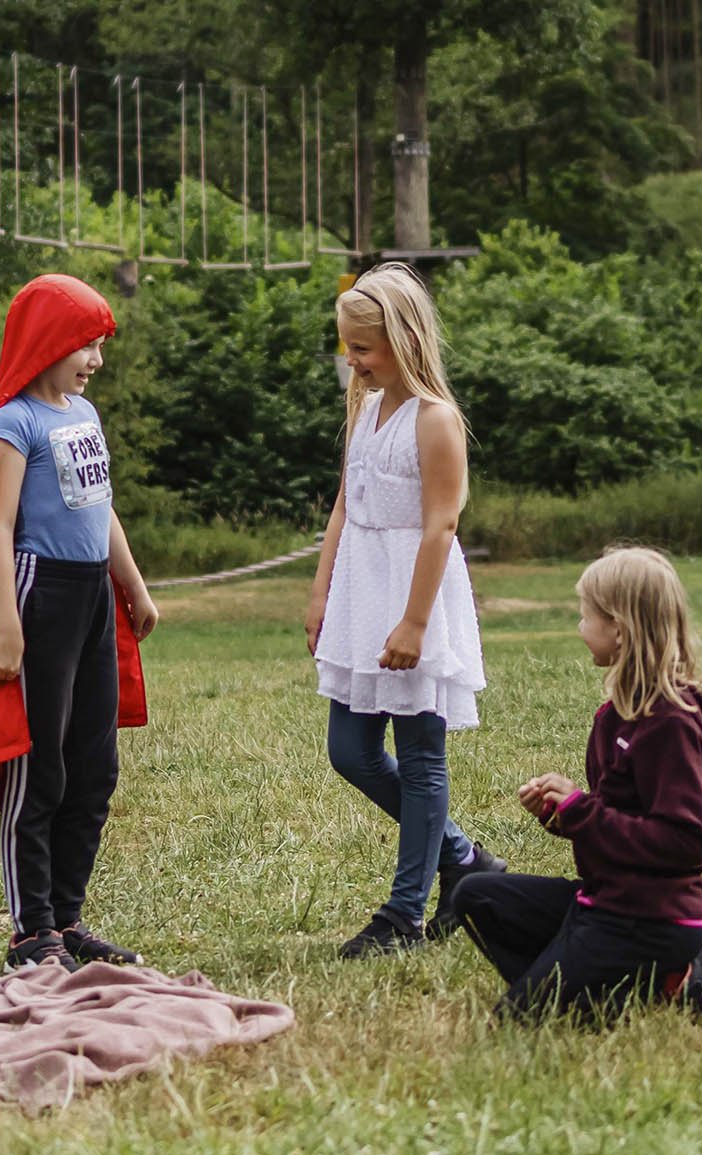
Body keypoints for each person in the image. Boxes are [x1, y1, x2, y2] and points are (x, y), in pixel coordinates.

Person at [0, 273, 157, 974]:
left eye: (99, 345)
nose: (96, 359)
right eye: (86, 344)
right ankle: (31, 932)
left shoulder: (83, 415)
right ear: (47, 342)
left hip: (91, 596)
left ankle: (67, 918)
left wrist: (133, 585)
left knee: (95, 766)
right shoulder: (15, 423)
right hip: (38, 593)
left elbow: (102, 508)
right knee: (40, 766)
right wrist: (6, 626)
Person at [305, 262, 505, 959]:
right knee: (350, 751)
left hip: (414, 593)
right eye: (348, 348)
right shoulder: (365, 409)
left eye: (363, 348)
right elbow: (344, 503)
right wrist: (322, 592)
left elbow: (441, 525)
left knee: (421, 755)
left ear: (404, 340)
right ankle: (465, 858)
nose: (353, 361)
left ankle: (403, 913)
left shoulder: (435, 419)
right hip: (361, 594)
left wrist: (416, 622)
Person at [453, 547, 702, 1021]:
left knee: (516, 1020)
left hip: (648, 920)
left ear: (619, 629)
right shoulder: (616, 714)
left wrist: (582, 810)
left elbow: (686, 842)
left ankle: (679, 977)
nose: (580, 628)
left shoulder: (671, 723)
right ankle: (591, 986)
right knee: (475, 894)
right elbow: (618, 818)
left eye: (586, 616)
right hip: (600, 901)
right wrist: (561, 814)